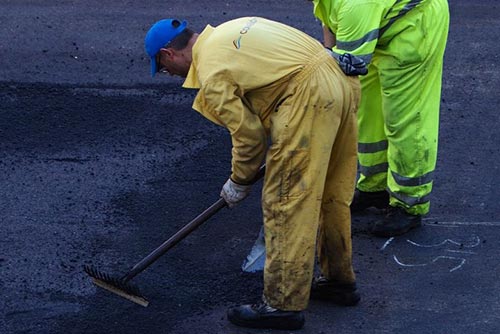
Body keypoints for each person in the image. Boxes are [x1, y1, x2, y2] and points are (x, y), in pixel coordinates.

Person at [145, 17, 361, 330]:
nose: (171, 75)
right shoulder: (230, 30)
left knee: (286, 200)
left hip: (308, 97)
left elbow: (249, 137)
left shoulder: (211, 68)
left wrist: (238, 181)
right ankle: (338, 281)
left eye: (165, 69)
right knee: (331, 193)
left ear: (168, 54)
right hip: (339, 82)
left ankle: (282, 304)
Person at [310, 0, 450, 236]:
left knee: (405, 119)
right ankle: (374, 188)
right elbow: (331, 33)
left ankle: (409, 205)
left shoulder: (356, 6)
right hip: (379, 22)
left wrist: (317, 116)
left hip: (414, 26)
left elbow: (346, 72)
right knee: (367, 110)